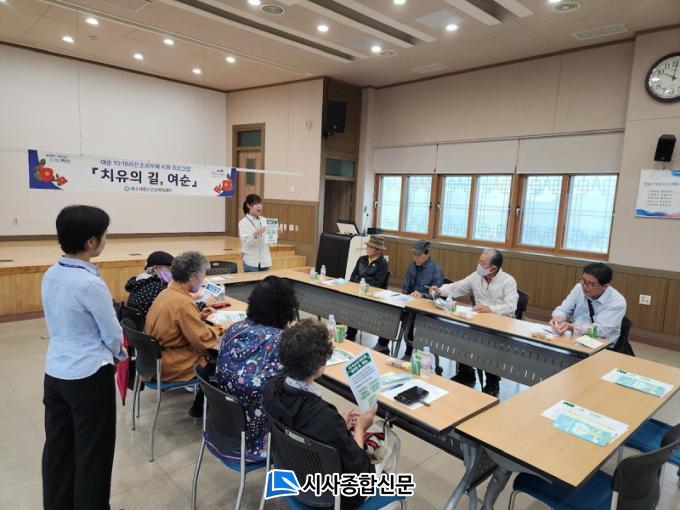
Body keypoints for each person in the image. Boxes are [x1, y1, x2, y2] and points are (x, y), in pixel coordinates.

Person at [264, 319, 399, 510]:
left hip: (291, 478)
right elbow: (360, 468)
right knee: (391, 440)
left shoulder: (271, 389)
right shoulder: (324, 417)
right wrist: (360, 428)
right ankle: (388, 502)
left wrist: (340, 427)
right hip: (332, 498)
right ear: (320, 363)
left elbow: (306, 427)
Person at [41, 205, 126, 510]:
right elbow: (112, 333)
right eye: (104, 235)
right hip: (89, 375)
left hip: (55, 372)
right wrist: (119, 355)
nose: (106, 239)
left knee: (58, 450)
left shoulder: (51, 273)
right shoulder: (90, 283)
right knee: (93, 454)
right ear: (91, 241)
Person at [215, 276, 299, 462]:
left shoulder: (235, 328)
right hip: (257, 440)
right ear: (287, 309)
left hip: (223, 427)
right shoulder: (281, 341)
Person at [145, 251, 223, 417]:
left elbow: (176, 325)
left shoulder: (166, 293)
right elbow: (202, 339)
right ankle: (203, 410)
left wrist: (198, 317)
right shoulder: (183, 302)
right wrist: (221, 328)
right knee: (223, 363)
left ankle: (200, 407)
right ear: (193, 277)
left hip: (154, 361)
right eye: (203, 275)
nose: (203, 280)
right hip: (173, 363)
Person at [431, 249, 518, 396]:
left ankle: (492, 383)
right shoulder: (476, 276)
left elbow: (511, 306)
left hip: (500, 325)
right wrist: (440, 291)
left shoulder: (508, 281)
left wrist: (490, 309)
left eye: (482, 263)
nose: (479, 265)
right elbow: (457, 287)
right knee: (461, 333)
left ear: (493, 268)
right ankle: (466, 373)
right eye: (479, 261)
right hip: (478, 321)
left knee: (490, 343)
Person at [375, 240, 444, 358]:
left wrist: (423, 295)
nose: (416, 258)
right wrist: (404, 297)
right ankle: (382, 344)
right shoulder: (411, 266)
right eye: (414, 254)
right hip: (409, 302)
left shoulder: (436, 270)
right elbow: (406, 286)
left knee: (412, 318)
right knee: (390, 311)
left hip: (425, 308)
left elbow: (438, 295)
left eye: (419, 255)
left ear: (427, 253)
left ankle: (409, 352)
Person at [550, 262, 626, 340]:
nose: (585, 286)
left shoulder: (617, 302)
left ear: (605, 286)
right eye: (583, 280)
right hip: (576, 336)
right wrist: (558, 318)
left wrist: (572, 327)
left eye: (591, 284)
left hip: (601, 341)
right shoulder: (579, 288)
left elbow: (599, 331)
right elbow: (563, 309)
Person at [346, 235, 389, 343]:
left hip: (370, 295)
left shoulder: (382, 264)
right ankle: (348, 333)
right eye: (368, 246)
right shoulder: (362, 259)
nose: (367, 248)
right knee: (343, 303)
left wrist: (361, 282)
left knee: (355, 306)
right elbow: (353, 276)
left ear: (378, 250)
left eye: (371, 247)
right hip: (356, 292)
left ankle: (351, 334)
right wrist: (356, 284)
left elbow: (377, 284)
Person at [124, 251, 174, 315]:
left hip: (134, 319)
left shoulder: (139, 281)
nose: (172, 272)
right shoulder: (157, 285)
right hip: (147, 320)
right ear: (155, 269)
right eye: (169, 269)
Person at [238, 193, 272, 272]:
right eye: (256, 204)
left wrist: (276, 233)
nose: (259, 206)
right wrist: (255, 234)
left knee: (266, 280)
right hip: (251, 262)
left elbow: (270, 241)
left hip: (265, 261)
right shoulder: (243, 223)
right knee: (252, 281)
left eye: (260, 204)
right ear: (248, 205)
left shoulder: (264, 220)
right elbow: (246, 242)